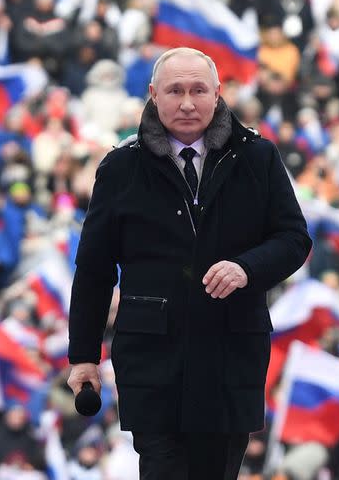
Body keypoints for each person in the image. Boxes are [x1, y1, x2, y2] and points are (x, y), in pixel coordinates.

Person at [66, 47, 312, 479]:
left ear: (217, 94)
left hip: (230, 356)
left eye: (198, 90)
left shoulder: (258, 157)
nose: (186, 102)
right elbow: (94, 268)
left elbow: (293, 238)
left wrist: (246, 269)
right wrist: (84, 355)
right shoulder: (121, 167)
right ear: (152, 94)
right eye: (174, 90)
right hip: (153, 361)